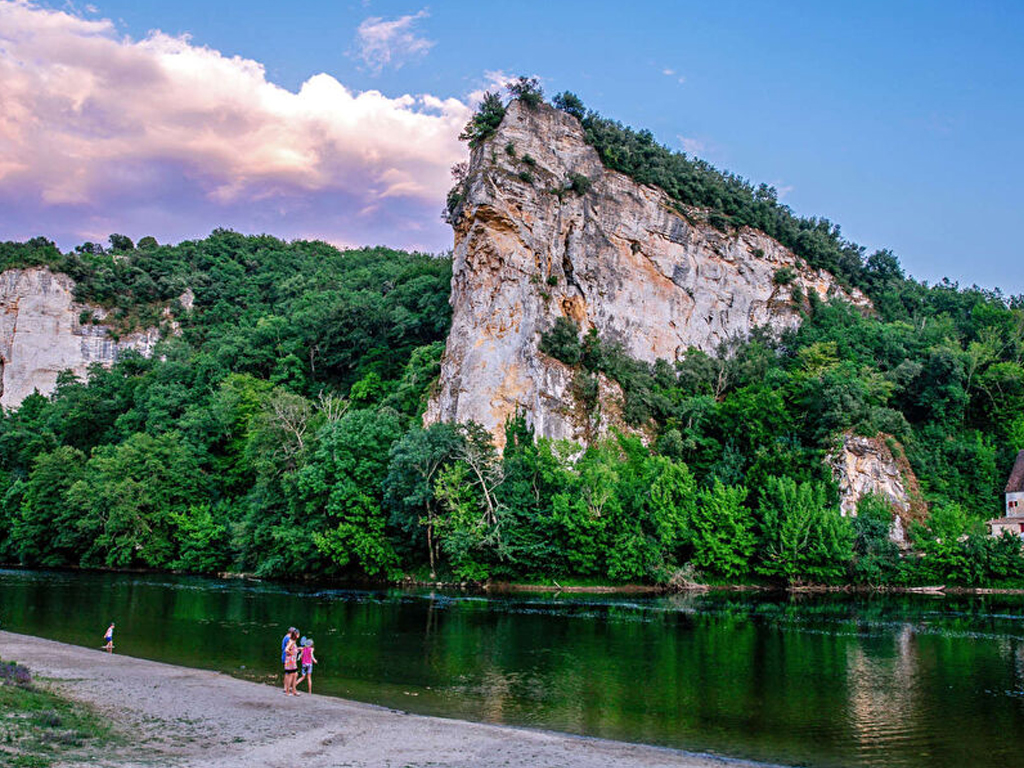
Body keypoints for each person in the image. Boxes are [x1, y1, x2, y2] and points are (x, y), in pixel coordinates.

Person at [283, 629, 300, 696]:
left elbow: (292, 649)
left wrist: (298, 649)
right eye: (298, 634)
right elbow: (286, 650)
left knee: (295, 675)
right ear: (296, 635)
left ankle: (294, 691)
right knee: (291, 675)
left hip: (292, 661)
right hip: (291, 661)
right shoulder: (292, 642)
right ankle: (288, 692)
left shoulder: (292, 641)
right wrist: (292, 653)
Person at [281, 626, 297, 693]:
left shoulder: (286, 637)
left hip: (285, 656)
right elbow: (288, 648)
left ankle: (286, 687)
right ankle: (287, 688)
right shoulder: (288, 638)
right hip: (287, 657)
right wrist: (293, 652)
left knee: (287, 673)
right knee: (289, 673)